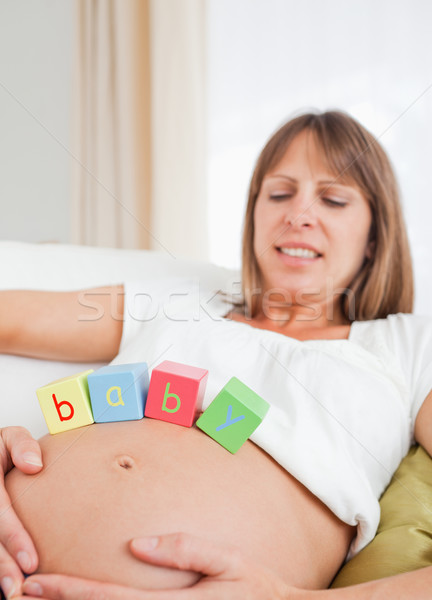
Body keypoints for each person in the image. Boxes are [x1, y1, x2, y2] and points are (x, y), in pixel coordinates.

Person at [1, 110, 432, 600]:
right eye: (279, 193)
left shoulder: (408, 346)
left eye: (333, 199)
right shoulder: (175, 302)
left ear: (376, 236)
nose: (298, 214)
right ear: (254, 214)